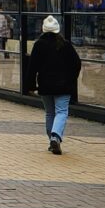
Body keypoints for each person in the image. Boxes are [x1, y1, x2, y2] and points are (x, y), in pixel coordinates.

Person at [26, 15, 81, 155]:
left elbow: (32, 67)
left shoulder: (39, 45)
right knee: (61, 111)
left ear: (43, 29)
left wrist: (31, 85)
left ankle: (52, 138)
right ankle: (55, 136)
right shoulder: (66, 45)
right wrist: (71, 79)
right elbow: (76, 64)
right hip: (64, 85)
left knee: (50, 113)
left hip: (45, 84)